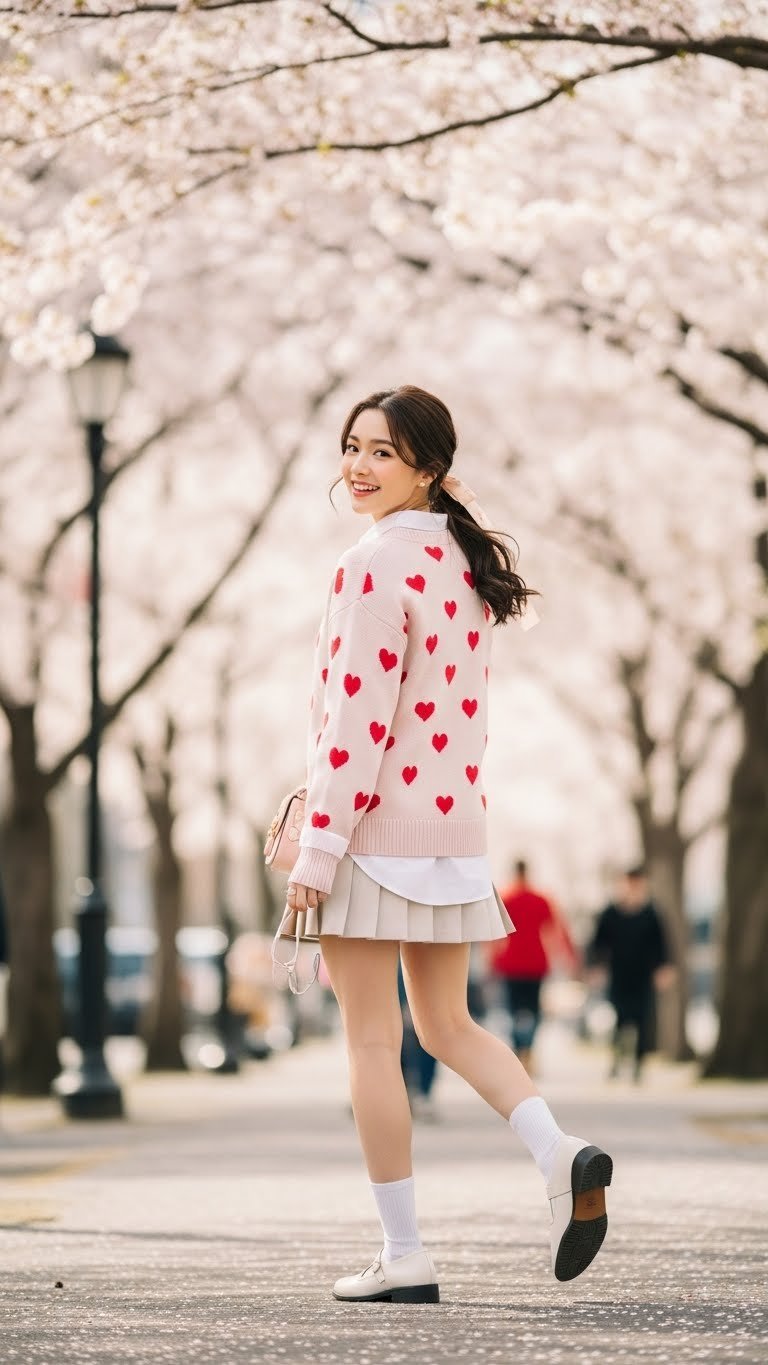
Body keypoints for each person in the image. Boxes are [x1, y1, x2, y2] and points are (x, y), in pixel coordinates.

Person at [274, 386, 612, 1304]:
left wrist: (317, 850)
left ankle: (404, 1251)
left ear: (428, 466)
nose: (358, 465)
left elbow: (356, 725)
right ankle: (559, 1150)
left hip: (370, 836)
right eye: (352, 446)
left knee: (372, 1043)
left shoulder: (370, 564)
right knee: (449, 1025)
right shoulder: (462, 562)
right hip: (453, 836)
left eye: (382, 451)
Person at [489, 859, 579, 1073]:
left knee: (512, 1010)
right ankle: (528, 1051)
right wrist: (568, 957)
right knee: (534, 1010)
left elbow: (492, 933)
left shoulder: (505, 898)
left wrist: (492, 960)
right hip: (535, 963)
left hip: (510, 964)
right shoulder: (541, 899)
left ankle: (518, 1051)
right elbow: (556, 930)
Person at [588, 866, 675, 1082]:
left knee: (642, 1020)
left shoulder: (651, 913)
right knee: (620, 1018)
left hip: (643, 975)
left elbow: (661, 944)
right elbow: (598, 942)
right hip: (619, 974)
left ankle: (638, 1064)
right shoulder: (611, 912)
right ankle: (616, 1060)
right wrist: (596, 966)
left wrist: (663, 968)